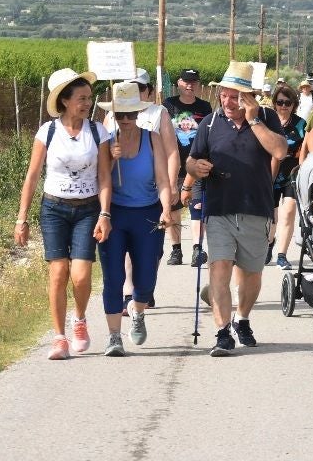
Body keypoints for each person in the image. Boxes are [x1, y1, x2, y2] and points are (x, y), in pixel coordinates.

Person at [184, 61, 288, 356]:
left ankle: (242, 318)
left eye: (235, 97)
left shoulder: (266, 117)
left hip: (256, 206)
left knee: (252, 272)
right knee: (219, 266)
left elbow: (280, 151)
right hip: (219, 208)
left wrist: (254, 121)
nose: (227, 102)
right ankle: (222, 332)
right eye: (224, 95)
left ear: (250, 98)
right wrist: (195, 168)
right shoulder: (211, 123)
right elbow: (191, 160)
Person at [15, 68, 112, 360]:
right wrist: (22, 219)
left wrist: (105, 214)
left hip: (88, 209)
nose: (87, 103)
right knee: (58, 273)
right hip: (54, 208)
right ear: (65, 101)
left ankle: (79, 319)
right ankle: (59, 338)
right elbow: (32, 176)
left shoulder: (98, 131)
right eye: (81, 98)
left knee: (81, 276)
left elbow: (105, 176)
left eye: (89, 98)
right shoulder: (48, 132)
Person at [98, 82, 174, 357]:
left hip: (147, 213)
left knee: (146, 278)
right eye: (121, 115)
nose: (127, 120)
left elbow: (163, 179)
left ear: (140, 113)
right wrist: (110, 157)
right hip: (115, 214)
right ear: (114, 116)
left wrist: (166, 209)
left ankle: (138, 312)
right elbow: (100, 179)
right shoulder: (106, 140)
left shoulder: (152, 138)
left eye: (131, 114)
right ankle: (114, 336)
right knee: (113, 277)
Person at [162, 69, 212, 266]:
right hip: (173, 165)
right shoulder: (168, 105)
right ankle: (176, 250)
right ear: (179, 83)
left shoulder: (205, 107)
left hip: (197, 166)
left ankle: (197, 249)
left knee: (197, 206)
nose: (190, 85)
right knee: (173, 207)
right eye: (186, 82)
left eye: (194, 82)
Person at [271, 82, 308, 270]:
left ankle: (281, 254)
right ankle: (269, 243)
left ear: (294, 104)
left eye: (288, 103)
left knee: (288, 212)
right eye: (280, 102)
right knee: (271, 218)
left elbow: (304, 151)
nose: (284, 106)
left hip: (291, 175)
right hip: (269, 175)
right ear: (274, 103)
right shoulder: (267, 122)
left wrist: (301, 171)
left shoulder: (301, 125)